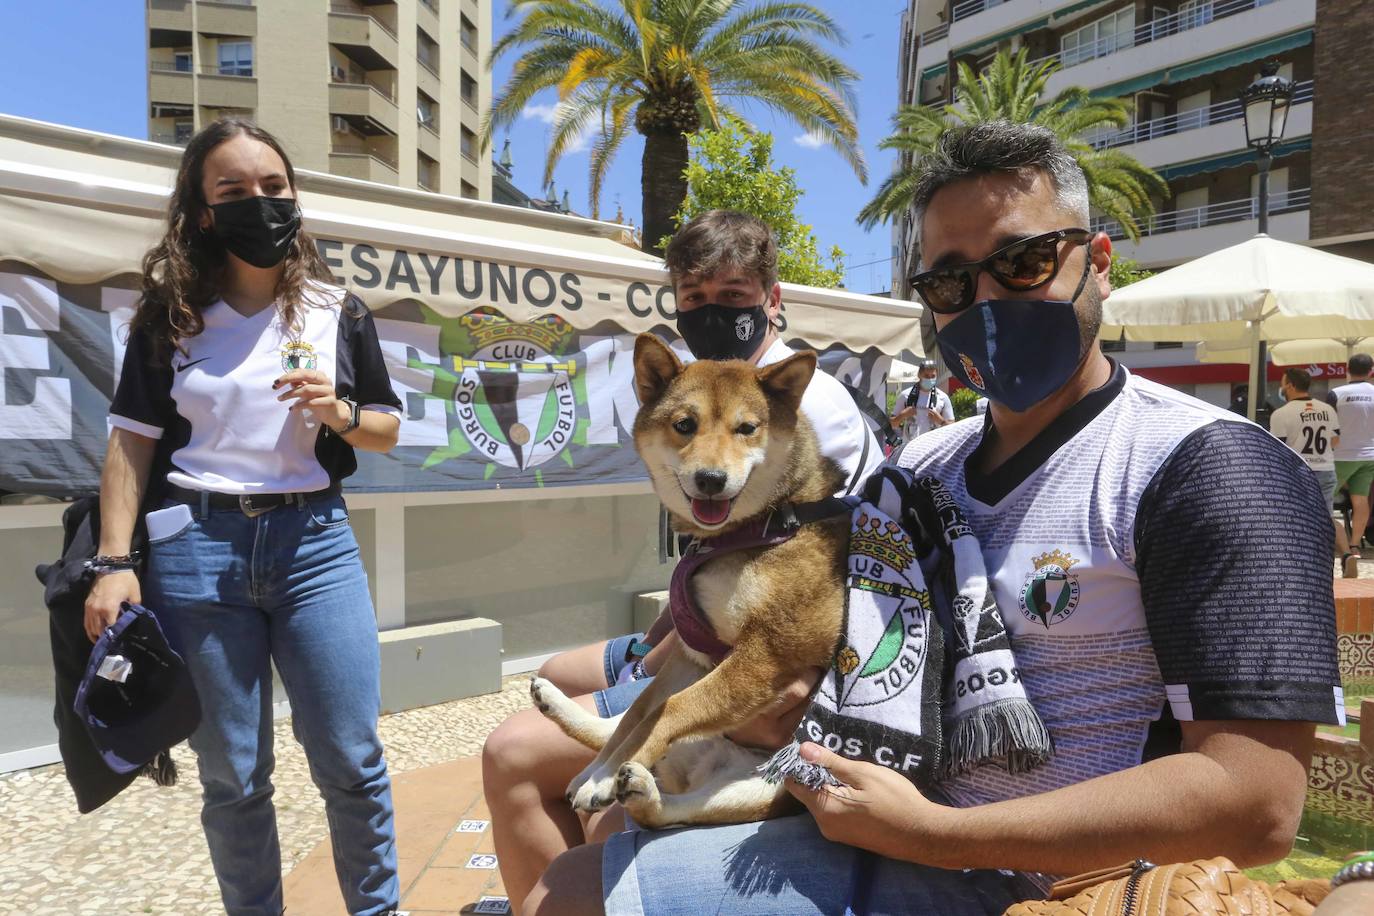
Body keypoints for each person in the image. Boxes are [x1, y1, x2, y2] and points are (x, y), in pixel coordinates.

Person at [526, 121, 1343, 916]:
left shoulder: (1214, 468)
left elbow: (1255, 803)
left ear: (1098, 263)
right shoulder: (918, 468)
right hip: (866, 817)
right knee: (578, 813)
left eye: (1022, 262)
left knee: (569, 894)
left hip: (1048, 882)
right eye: (951, 281)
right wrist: (791, 703)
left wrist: (939, 835)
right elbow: (819, 644)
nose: (985, 298)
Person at [482, 209, 883, 913]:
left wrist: (665, 665)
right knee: (552, 670)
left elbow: (801, 585)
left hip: (774, 649)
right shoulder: (691, 384)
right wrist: (659, 646)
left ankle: (584, 879)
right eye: (694, 298)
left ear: (772, 298)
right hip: (703, 614)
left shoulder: (806, 403)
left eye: (732, 296)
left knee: (512, 753)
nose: (711, 312)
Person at [83, 119, 403, 916]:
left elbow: (387, 430)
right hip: (199, 551)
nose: (259, 203)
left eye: (273, 187)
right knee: (231, 776)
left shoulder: (338, 310)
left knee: (351, 758)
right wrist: (113, 563)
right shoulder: (169, 319)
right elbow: (130, 445)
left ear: (294, 197)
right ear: (200, 212)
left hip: (315, 548)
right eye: (233, 191)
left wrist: (339, 411)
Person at [1271, 368, 1346, 573]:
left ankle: (1300, 560)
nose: (1281, 387)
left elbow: (1278, 449)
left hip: (1298, 471)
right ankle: (1346, 554)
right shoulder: (1327, 409)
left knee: (1294, 517)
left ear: (1291, 386)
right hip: (1325, 468)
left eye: (1283, 383)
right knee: (1328, 516)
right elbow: (1335, 440)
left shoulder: (1281, 414)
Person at [1327, 354, 1374, 574]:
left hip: (1341, 455)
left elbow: (1328, 424)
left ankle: (1339, 547)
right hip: (1369, 455)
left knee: (1323, 502)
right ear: (1371, 370)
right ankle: (1355, 546)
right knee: (1361, 500)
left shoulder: (1336, 394)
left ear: (1347, 369)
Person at [891, 358, 955, 442]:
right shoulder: (905, 395)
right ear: (919, 375)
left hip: (933, 447)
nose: (930, 379)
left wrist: (941, 421)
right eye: (926, 376)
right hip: (910, 447)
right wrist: (903, 415)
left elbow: (953, 427)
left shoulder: (943, 397)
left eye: (933, 376)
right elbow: (892, 424)